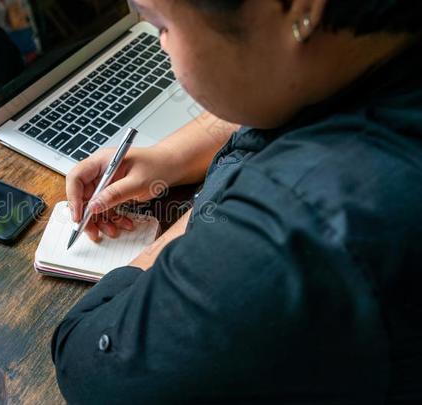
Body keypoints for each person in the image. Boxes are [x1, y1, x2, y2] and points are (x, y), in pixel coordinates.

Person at [51, 0, 422, 403]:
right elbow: (286, 75)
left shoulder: (290, 227)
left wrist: (185, 231)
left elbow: (89, 366)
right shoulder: (373, 44)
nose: (160, 47)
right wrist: (172, 156)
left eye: (161, 25)